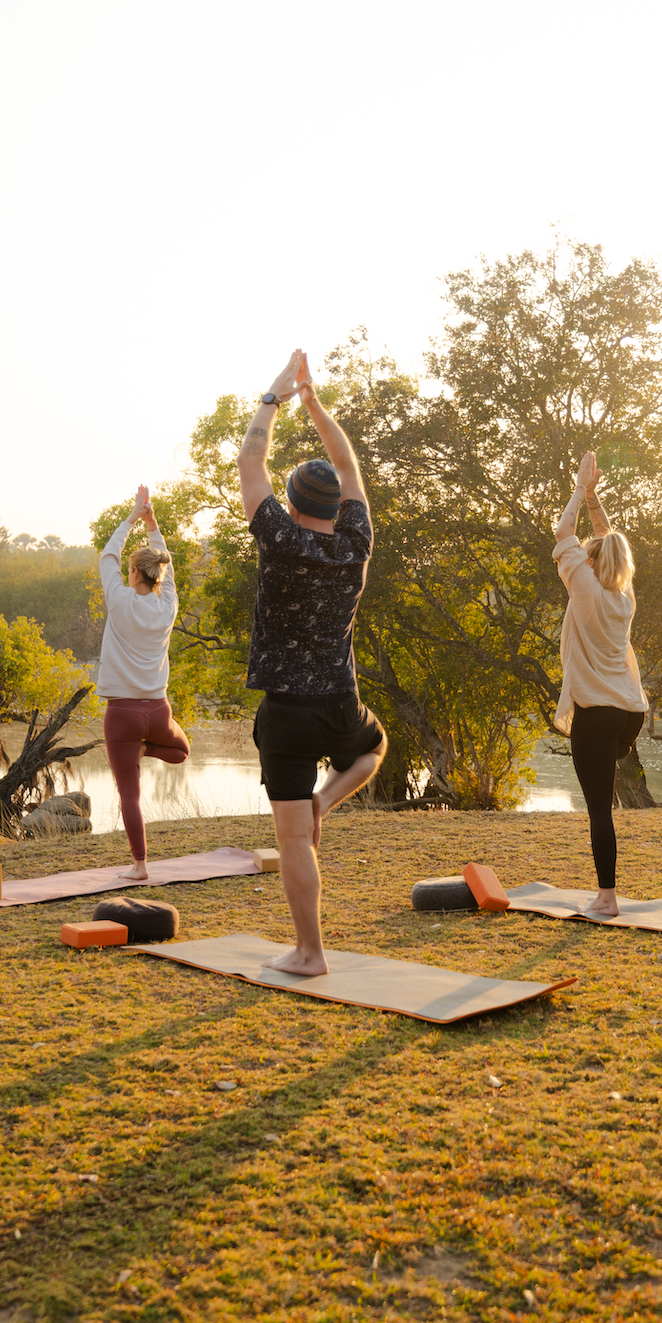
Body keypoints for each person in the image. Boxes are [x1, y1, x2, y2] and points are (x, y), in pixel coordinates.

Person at [237, 349, 387, 976]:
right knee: (373, 746)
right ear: (335, 508)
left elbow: (251, 457)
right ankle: (327, 800)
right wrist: (316, 404)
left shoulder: (278, 536)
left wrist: (276, 394)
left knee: (293, 838)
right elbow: (349, 464)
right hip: (339, 702)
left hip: (288, 713)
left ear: (292, 500)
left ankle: (310, 952)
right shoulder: (355, 545)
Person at [552, 451, 648, 917]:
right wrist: (594, 497)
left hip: (597, 712)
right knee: (603, 784)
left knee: (598, 810)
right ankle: (614, 751)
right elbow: (607, 542)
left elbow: (562, 533)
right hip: (631, 714)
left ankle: (606, 898)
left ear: (589, 562)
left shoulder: (585, 588)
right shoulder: (623, 597)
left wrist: (577, 487)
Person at [97, 484, 190, 880]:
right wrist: (154, 527)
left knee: (129, 795)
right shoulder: (168, 606)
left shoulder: (118, 601)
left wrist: (134, 517)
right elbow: (166, 573)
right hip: (158, 709)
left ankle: (139, 865)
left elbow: (107, 555)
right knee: (182, 751)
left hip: (122, 715)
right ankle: (147, 748)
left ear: (133, 572)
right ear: (158, 574)